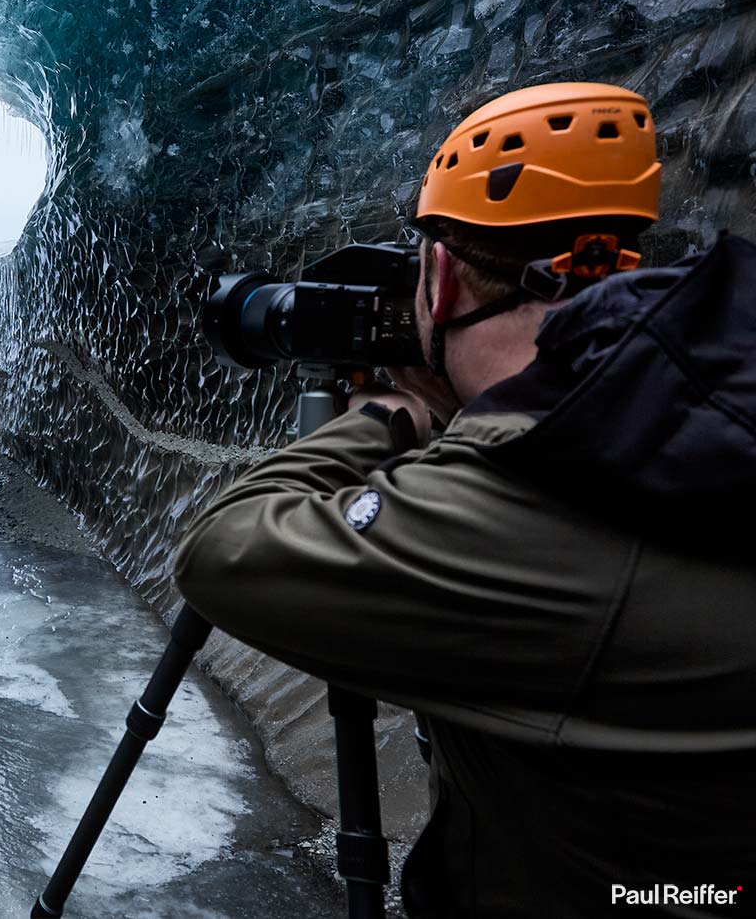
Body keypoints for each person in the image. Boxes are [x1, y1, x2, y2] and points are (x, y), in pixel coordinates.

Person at [173, 82, 756, 917]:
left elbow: (222, 550)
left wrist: (385, 417)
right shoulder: (704, 385)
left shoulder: (523, 485)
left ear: (439, 280)